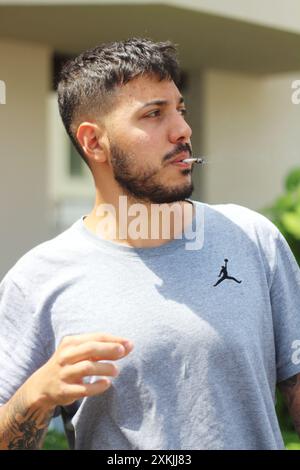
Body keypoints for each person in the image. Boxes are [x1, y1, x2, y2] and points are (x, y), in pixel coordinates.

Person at [0, 37, 300, 451]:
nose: (183, 130)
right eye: (154, 114)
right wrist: (36, 395)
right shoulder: (38, 279)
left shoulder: (252, 237)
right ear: (93, 142)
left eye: (180, 109)